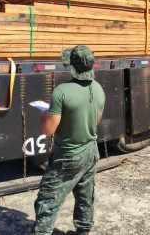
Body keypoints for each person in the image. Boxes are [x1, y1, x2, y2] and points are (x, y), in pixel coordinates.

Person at [33, 45, 106, 235]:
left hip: (67, 156)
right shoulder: (98, 88)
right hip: (91, 151)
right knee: (85, 195)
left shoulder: (61, 92)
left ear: (71, 67)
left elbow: (48, 130)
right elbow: (96, 119)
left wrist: (45, 116)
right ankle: (83, 230)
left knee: (47, 200)